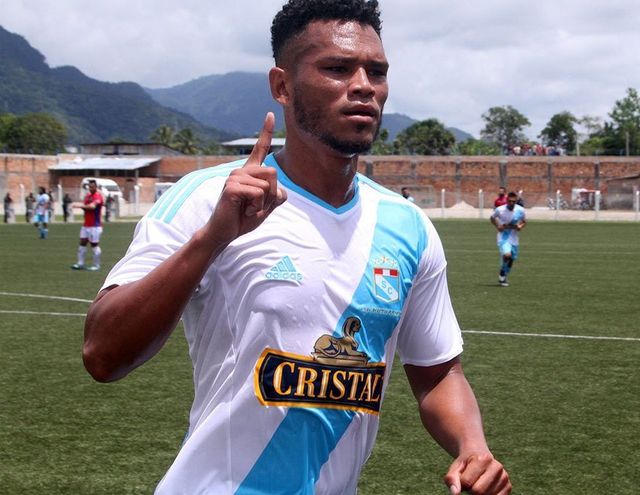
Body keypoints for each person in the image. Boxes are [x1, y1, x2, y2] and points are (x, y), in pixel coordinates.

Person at [81, 2, 511, 494]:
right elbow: (103, 353)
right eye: (337, 68)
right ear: (282, 86)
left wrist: (472, 446)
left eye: (377, 72)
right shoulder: (210, 197)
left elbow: (437, 373)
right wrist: (212, 239)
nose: (364, 86)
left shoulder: (408, 227)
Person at [490, 191, 526, 287]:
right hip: (503, 237)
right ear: (506, 200)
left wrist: (520, 226)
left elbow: (524, 221)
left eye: (513, 201)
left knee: (511, 258)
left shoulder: (520, 210)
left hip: (514, 238)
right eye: (509, 201)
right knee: (507, 255)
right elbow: (492, 218)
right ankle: (502, 274)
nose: (511, 203)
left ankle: (503, 274)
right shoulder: (500, 210)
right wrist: (498, 226)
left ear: (516, 201)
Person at [71, 179, 104, 271]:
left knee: (94, 245)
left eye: (92, 187)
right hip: (86, 225)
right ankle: (80, 263)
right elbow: (86, 207)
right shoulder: (87, 196)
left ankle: (96, 265)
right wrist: (83, 207)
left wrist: (79, 206)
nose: (90, 188)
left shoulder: (98, 196)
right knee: (82, 243)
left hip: (95, 226)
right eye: (89, 187)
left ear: (96, 187)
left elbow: (92, 207)